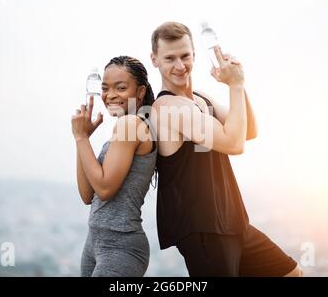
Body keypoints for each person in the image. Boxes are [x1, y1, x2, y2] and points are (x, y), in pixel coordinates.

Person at [150, 21, 301, 277]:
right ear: (155, 60)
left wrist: (237, 82)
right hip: (203, 229)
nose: (179, 65)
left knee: (291, 273)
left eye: (185, 56)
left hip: (233, 221)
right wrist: (235, 86)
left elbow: (248, 131)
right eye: (169, 58)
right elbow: (234, 144)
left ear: (195, 54)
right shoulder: (167, 107)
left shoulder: (200, 98)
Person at [71, 56, 157, 277]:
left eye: (120, 87)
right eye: (105, 88)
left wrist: (80, 138)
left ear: (140, 92)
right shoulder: (123, 127)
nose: (110, 95)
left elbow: (105, 189)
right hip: (95, 241)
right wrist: (84, 141)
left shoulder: (131, 124)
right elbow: (87, 194)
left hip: (121, 246)